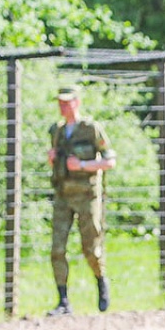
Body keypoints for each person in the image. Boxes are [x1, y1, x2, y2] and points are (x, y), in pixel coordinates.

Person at [47, 86, 117, 315]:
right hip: (63, 196)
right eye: (60, 102)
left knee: (91, 248)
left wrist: (84, 166)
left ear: (77, 102)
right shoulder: (56, 131)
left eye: (67, 102)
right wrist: (53, 160)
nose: (63, 106)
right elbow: (56, 164)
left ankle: (101, 281)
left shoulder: (91, 129)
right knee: (57, 249)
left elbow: (110, 161)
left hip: (87, 196)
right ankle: (63, 301)